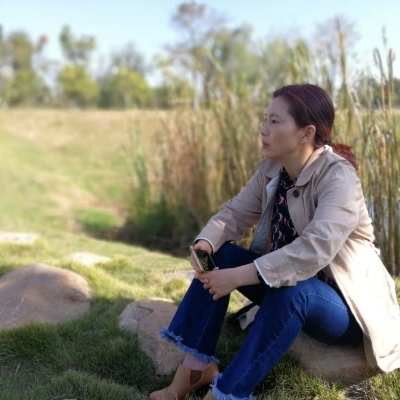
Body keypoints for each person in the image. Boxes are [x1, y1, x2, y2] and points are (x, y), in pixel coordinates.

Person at [149, 83, 400, 400]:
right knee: (222, 256)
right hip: (285, 286)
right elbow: (234, 214)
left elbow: (314, 249)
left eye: (275, 121)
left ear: (306, 133)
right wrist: (206, 244)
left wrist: (236, 277)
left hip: (345, 306)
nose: (263, 129)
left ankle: (227, 393)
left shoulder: (339, 178)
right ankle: (196, 369)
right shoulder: (273, 168)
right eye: (264, 119)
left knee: (294, 290)